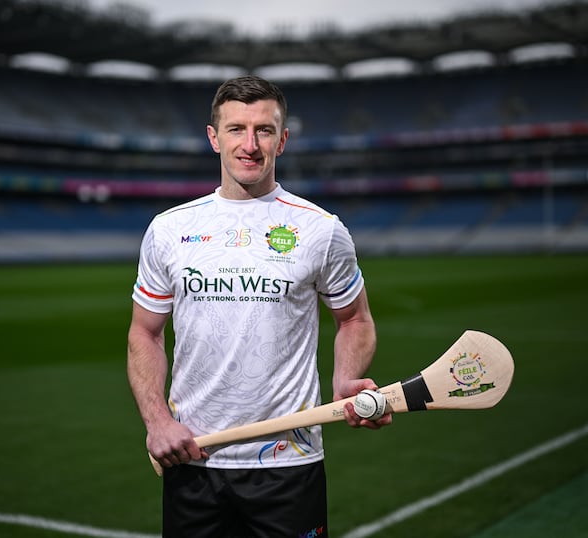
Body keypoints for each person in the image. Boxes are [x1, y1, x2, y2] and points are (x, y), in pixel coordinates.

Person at [127, 75, 391, 537]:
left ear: (282, 140)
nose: (250, 144)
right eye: (236, 129)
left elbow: (355, 319)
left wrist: (346, 378)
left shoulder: (322, 230)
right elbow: (143, 333)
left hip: (289, 466)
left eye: (264, 130)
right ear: (213, 137)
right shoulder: (168, 229)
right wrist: (157, 421)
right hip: (195, 458)